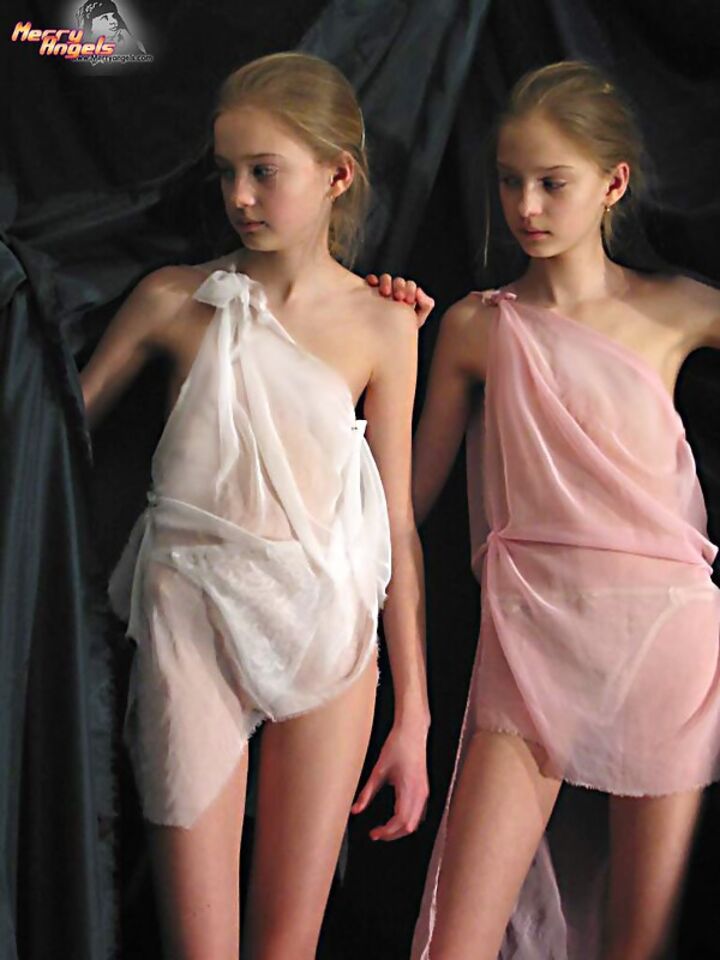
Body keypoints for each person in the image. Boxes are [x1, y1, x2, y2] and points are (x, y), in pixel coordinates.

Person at [79, 51, 433, 960]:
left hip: (328, 629)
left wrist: (416, 716)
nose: (239, 196)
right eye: (227, 172)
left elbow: (395, 524)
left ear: (337, 175)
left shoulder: (384, 323)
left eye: (264, 171)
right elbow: (54, 433)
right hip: (189, 621)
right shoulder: (173, 301)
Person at [371, 60, 720, 960]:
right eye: (509, 181)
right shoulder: (478, 327)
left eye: (552, 183)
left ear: (613, 183)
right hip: (531, 645)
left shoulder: (678, 309)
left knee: (639, 945)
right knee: (455, 939)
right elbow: (399, 507)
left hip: (666, 643)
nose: (525, 206)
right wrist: (380, 340)